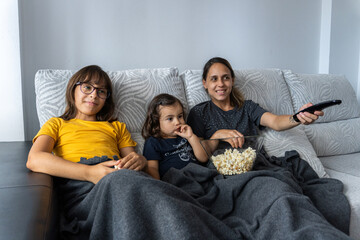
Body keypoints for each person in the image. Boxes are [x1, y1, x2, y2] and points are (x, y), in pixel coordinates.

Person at [26, 65, 240, 240]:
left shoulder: (115, 126)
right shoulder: (57, 124)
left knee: (151, 192)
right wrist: (89, 173)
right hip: (84, 187)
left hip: (119, 174)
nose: (94, 95)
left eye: (101, 91)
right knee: (125, 184)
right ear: (73, 89)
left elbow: (134, 159)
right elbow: (35, 159)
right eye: (87, 88)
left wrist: (138, 160)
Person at [142, 93, 208, 179]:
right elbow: (152, 168)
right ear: (156, 122)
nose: (177, 122)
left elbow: (204, 158)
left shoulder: (186, 135)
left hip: (198, 175)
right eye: (170, 118)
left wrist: (191, 137)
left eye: (180, 116)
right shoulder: (153, 142)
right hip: (176, 180)